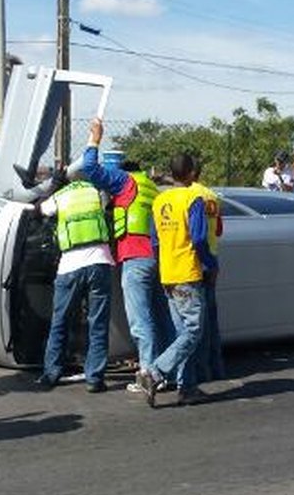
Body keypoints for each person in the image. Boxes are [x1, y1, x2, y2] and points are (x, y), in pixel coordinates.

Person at [75, 118, 171, 386]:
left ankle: (149, 375)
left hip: (135, 256)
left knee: (141, 321)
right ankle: (168, 373)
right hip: (157, 257)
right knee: (161, 318)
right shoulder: (151, 187)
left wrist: (95, 137)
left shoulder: (126, 181)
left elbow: (90, 168)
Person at [134, 153, 214, 408]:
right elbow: (199, 238)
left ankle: (187, 387)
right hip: (187, 273)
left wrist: (162, 265)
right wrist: (211, 264)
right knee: (193, 332)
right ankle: (154, 373)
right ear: (191, 173)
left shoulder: (160, 200)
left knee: (182, 333)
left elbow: (155, 241)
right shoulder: (193, 198)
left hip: (167, 273)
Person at [33, 171, 115, 393]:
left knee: (60, 321)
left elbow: (37, 211)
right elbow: (109, 208)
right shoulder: (97, 192)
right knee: (97, 323)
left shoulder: (61, 197)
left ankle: (51, 373)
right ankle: (95, 378)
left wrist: (52, 188)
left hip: (70, 265)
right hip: (100, 261)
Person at [189, 162, 225, 384]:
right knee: (211, 319)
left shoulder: (188, 195)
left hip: (194, 262)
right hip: (212, 259)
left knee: (196, 322)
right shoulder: (212, 195)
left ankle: (201, 372)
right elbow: (219, 229)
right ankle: (217, 367)